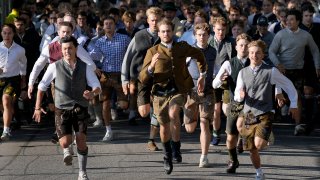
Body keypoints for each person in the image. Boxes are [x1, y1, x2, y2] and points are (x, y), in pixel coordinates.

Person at [138, 18, 207, 174]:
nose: (165, 34)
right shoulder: (153, 51)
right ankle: (167, 155)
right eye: (162, 31)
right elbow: (142, 77)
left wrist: (202, 74)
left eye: (168, 31)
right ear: (159, 33)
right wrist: (151, 67)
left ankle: (176, 148)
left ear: (172, 31)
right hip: (160, 93)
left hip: (179, 90)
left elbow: (199, 55)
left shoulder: (182, 47)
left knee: (174, 113)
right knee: (163, 126)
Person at [33, 36, 101, 180]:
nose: (67, 51)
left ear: (76, 49)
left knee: (81, 140)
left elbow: (97, 86)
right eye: (64, 49)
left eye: (70, 48)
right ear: (61, 50)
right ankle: (66, 149)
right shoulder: (54, 66)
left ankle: (82, 173)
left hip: (80, 107)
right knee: (65, 141)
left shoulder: (85, 67)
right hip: (62, 109)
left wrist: (92, 93)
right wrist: (37, 107)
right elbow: (41, 87)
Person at [235, 40, 298, 180]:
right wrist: (240, 95)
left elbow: (289, 85)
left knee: (259, 144)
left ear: (263, 55)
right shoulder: (242, 72)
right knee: (252, 149)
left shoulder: (271, 71)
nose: (254, 55)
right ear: (248, 54)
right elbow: (237, 92)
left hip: (265, 112)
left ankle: (266, 134)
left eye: (257, 53)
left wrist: (293, 104)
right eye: (251, 52)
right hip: (249, 112)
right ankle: (259, 172)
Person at [268, 9, 320, 135]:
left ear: (298, 21)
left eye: (292, 19)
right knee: (280, 98)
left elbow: (315, 51)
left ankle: (297, 125)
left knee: (296, 96)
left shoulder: (306, 35)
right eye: (287, 19)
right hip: (282, 70)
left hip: (298, 70)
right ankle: (270, 122)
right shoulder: (280, 35)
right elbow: (271, 52)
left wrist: (317, 66)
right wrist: (278, 64)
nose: (288, 22)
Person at [121, 7, 163, 150]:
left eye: (157, 20)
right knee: (144, 112)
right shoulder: (139, 35)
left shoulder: (165, 36)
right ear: (147, 21)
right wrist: (124, 79)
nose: (155, 23)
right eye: (152, 20)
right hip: (140, 77)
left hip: (159, 78)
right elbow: (128, 57)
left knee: (156, 109)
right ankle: (142, 111)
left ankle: (151, 139)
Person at [212, 33, 251, 173]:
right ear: (236, 47)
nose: (243, 48)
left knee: (241, 125)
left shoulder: (255, 63)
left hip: (251, 103)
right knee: (230, 136)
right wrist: (221, 79)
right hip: (235, 102)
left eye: (246, 45)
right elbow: (214, 84)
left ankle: (244, 137)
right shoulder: (229, 63)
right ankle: (233, 160)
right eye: (241, 45)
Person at [90, 16, 131, 142]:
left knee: (123, 105)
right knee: (105, 104)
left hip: (120, 75)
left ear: (115, 26)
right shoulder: (99, 41)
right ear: (103, 27)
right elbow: (94, 56)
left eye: (110, 23)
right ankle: (108, 130)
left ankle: (122, 104)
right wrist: (87, 55)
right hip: (105, 75)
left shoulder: (124, 39)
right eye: (106, 24)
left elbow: (132, 54)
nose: (108, 26)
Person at [183, 22, 216, 168]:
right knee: (190, 128)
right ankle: (192, 115)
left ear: (209, 36)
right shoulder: (189, 51)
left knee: (204, 124)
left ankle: (204, 156)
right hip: (191, 92)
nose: (202, 37)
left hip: (208, 91)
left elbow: (218, 67)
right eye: (199, 35)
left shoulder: (213, 51)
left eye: (204, 35)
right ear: (195, 36)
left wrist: (217, 80)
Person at [209, 16, 236, 146]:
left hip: (226, 80)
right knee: (216, 109)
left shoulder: (231, 42)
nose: (221, 33)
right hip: (212, 79)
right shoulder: (207, 41)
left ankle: (230, 131)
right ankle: (216, 133)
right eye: (218, 29)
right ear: (214, 29)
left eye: (223, 30)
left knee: (227, 109)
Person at [0, 24, 27, 141]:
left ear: (13, 34)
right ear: (1, 34)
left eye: (9, 33)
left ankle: (6, 131)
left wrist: (23, 80)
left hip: (12, 80)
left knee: (6, 100)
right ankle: (10, 117)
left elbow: (23, 64)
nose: (7, 35)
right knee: (4, 106)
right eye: (4, 33)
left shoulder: (20, 50)